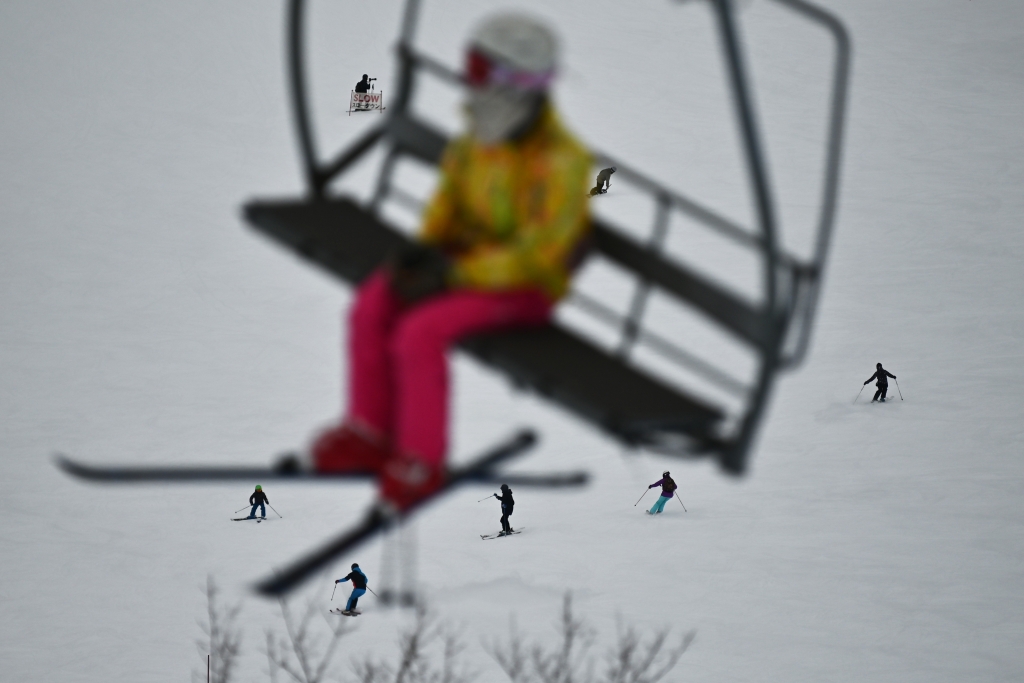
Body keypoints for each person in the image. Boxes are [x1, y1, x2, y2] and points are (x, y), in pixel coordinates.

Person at [310, 13, 592, 513]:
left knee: (420, 332)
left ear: (515, 82)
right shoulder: (473, 145)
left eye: (479, 72)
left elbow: (538, 252)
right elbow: (449, 203)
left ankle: (422, 458)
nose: (469, 84)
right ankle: (369, 430)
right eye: (469, 70)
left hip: (523, 288)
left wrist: (458, 274)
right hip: (465, 268)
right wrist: (426, 253)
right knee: (373, 304)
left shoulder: (561, 163)